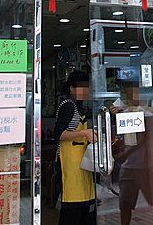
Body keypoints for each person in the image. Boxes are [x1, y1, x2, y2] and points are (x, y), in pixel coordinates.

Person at [111, 82, 153, 225]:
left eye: (135, 92)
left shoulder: (145, 112)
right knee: (125, 205)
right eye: (129, 93)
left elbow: (144, 137)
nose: (132, 96)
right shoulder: (124, 112)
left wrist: (124, 155)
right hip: (128, 168)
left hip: (143, 167)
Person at [54, 71, 96, 225]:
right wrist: (84, 132)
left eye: (87, 88)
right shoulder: (68, 106)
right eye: (81, 88)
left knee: (83, 208)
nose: (85, 91)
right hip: (69, 165)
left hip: (80, 163)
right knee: (72, 209)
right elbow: (59, 134)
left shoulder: (79, 106)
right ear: (71, 88)